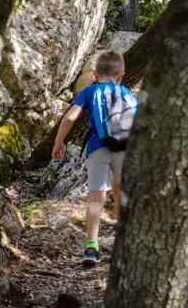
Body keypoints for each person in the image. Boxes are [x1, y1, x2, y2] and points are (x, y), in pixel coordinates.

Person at [51, 50, 139, 265]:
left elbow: (70, 117)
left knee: (96, 195)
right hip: (125, 149)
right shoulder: (128, 93)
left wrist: (58, 142)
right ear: (121, 75)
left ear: (94, 73)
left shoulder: (90, 91)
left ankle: (91, 246)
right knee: (120, 193)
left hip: (97, 147)